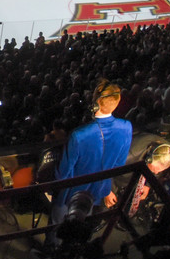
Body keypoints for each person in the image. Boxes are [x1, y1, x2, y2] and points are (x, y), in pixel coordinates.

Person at [47, 80, 132, 248]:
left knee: (57, 226)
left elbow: (64, 172)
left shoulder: (79, 135)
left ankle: (51, 251)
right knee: (80, 224)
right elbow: (120, 163)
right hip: (99, 191)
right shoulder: (126, 127)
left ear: (95, 103)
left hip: (71, 193)